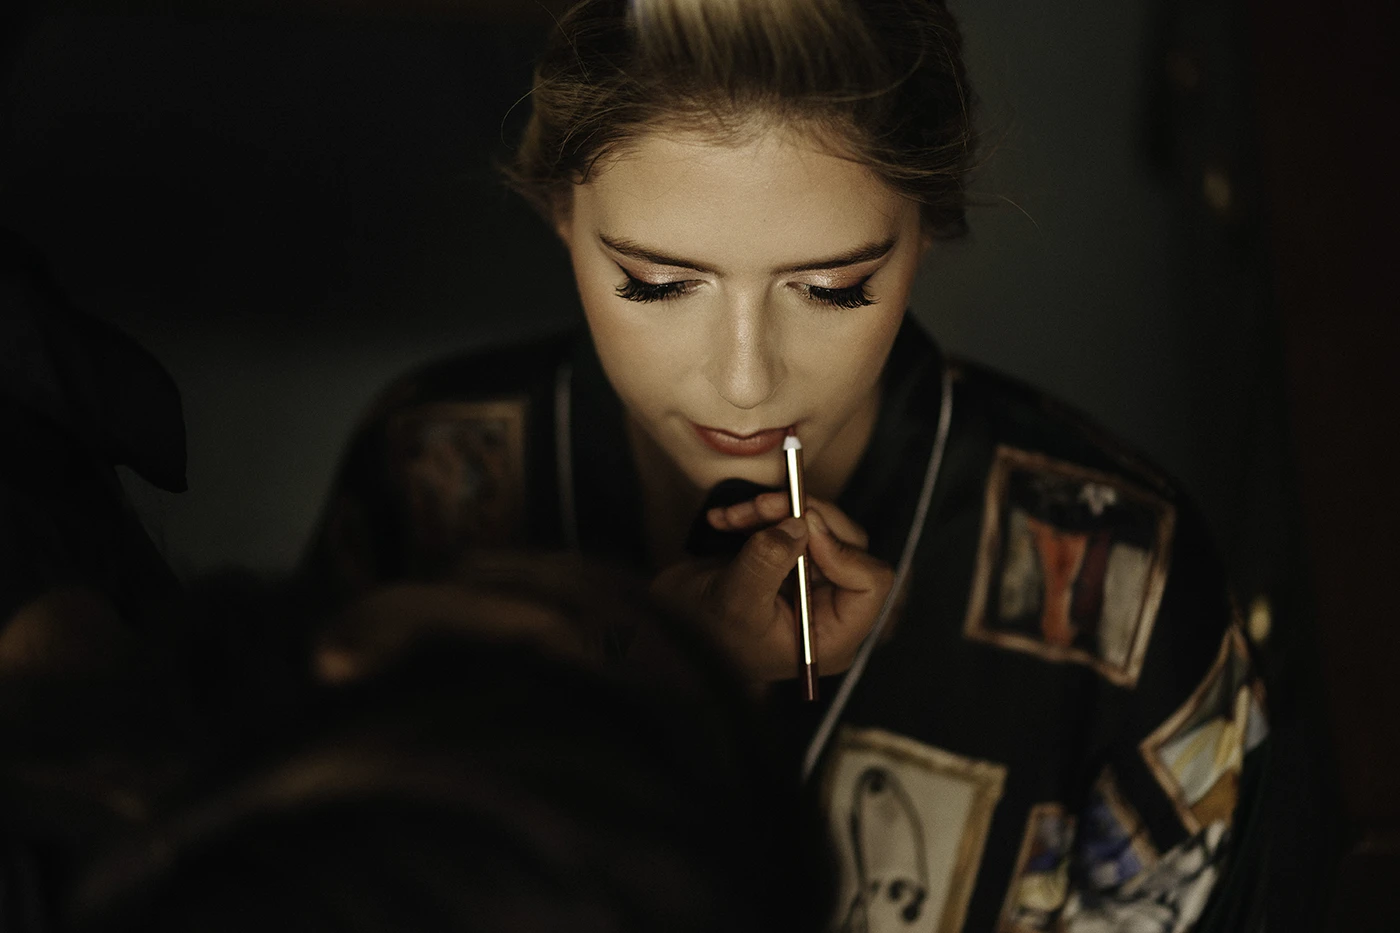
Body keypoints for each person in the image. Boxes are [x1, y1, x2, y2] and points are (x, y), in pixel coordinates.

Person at [300, 1, 1269, 930]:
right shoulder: (429, 469)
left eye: (831, 288)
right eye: (655, 283)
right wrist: (656, 680)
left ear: (926, 227)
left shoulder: (1131, 577)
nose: (744, 383)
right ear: (560, 213)